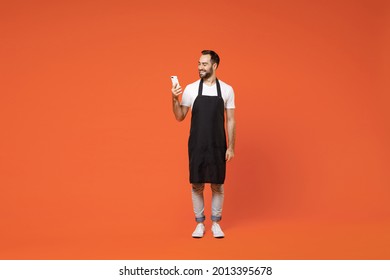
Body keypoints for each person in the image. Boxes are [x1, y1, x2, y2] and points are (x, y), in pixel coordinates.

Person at [171, 50, 236, 238]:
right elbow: (179, 116)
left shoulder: (226, 89)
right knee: (197, 185)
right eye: (199, 63)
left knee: (217, 185)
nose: (200, 67)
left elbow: (231, 120)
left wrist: (231, 146)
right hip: (197, 144)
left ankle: (216, 223)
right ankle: (199, 224)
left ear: (214, 66)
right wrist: (174, 98)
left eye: (204, 64)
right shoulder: (191, 89)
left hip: (218, 144)